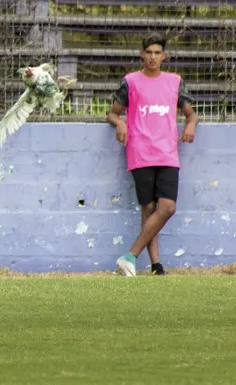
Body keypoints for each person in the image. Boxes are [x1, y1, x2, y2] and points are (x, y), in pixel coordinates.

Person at [106, 32, 198, 277]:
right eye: (149, 52)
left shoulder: (175, 82)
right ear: (142, 55)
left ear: (164, 56)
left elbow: (191, 113)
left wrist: (191, 124)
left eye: (158, 53)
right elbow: (112, 113)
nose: (153, 57)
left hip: (167, 153)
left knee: (167, 207)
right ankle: (156, 266)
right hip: (140, 152)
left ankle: (130, 256)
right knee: (148, 208)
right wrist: (120, 123)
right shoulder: (130, 82)